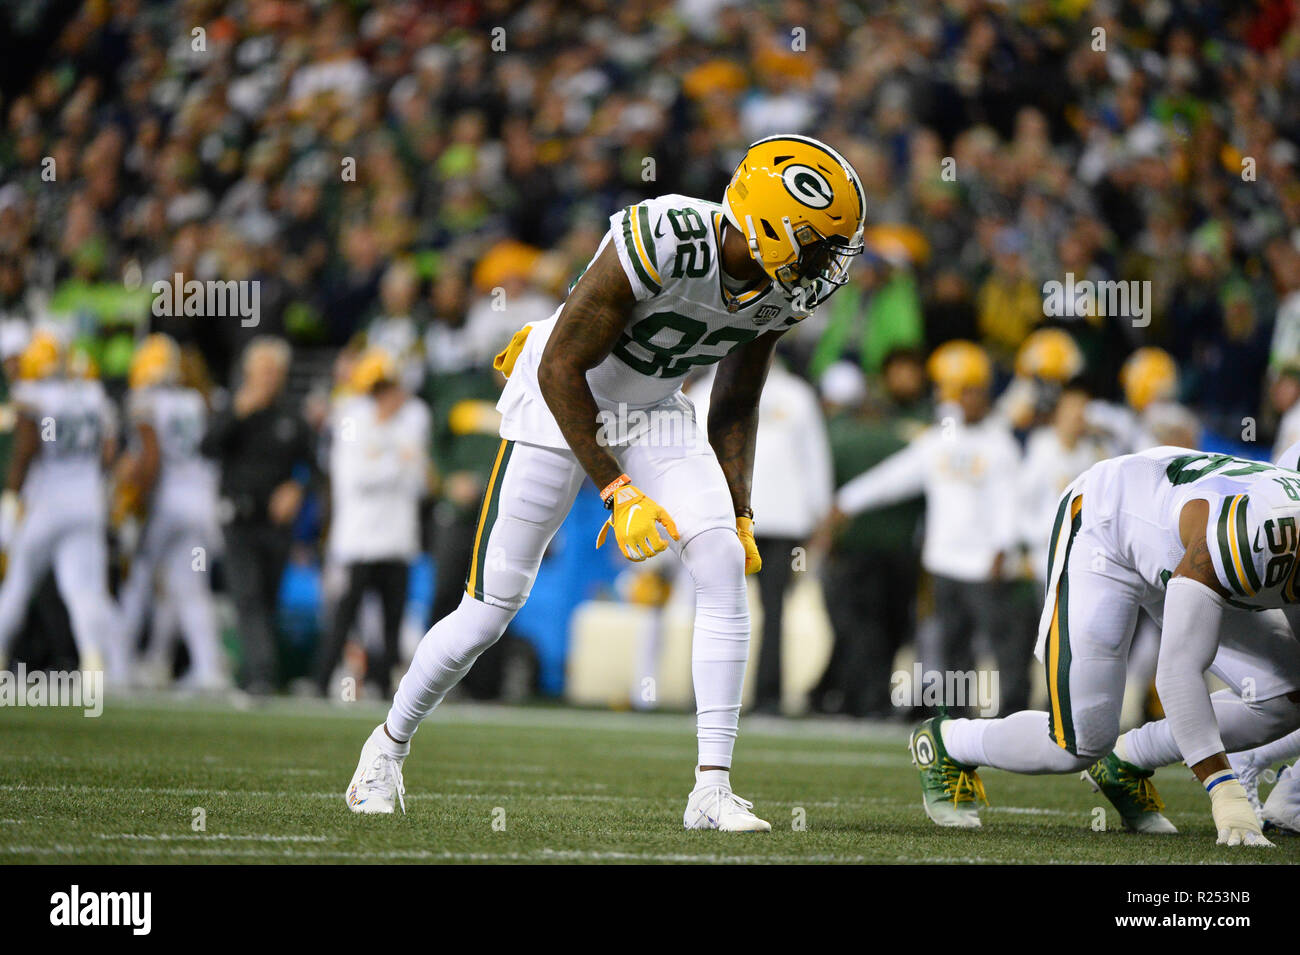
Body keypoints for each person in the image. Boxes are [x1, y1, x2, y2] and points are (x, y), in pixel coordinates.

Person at [345, 134, 867, 831]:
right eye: (819, 244)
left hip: (652, 409)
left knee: (717, 558)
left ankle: (711, 789)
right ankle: (385, 747)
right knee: (489, 610)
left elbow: (736, 399)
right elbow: (562, 364)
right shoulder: (668, 237)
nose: (828, 265)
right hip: (560, 400)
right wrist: (618, 490)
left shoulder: (779, 290)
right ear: (770, 222)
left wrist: (739, 510)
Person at [911, 446, 1300, 848]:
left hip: (1181, 534)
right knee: (1078, 742)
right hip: (1107, 526)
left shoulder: (1265, 540)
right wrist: (1225, 792)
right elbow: (1178, 671)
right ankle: (948, 741)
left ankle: (1128, 758)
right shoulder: (1247, 537)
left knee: (1285, 697)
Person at [833, 341, 1027, 714]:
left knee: (1002, 645)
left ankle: (1013, 714)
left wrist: (1004, 548)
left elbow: (1008, 501)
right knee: (953, 646)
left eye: (971, 392)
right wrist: (847, 501)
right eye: (959, 393)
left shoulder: (1000, 444)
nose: (966, 400)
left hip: (985, 562)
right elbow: (892, 477)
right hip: (942, 561)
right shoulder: (939, 442)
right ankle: (956, 719)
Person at [687, 357, 833, 714]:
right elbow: (814, 458)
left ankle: (711, 699)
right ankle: (767, 699)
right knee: (772, 611)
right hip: (778, 520)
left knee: (715, 609)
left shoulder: (709, 389)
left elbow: (690, 456)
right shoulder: (797, 395)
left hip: (725, 515)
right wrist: (820, 512)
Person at [0, 330, 121, 677]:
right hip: (87, 501)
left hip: (47, 502)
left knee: (18, 584)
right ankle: (93, 660)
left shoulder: (34, 396)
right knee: (84, 590)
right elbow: (108, 452)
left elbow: (26, 451)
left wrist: (11, 502)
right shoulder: (93, 395)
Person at [811, 353, 926, 718]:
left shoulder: (835, 436)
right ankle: (859, 697)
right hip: (901, 549)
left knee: (858, 630)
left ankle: (854, 698)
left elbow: (820, 491)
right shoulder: (911, 436)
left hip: (852, 549)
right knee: (887, 630)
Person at [201, 336, 317, 695]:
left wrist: (296, 489)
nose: (269, 377)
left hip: (276, 523)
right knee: (247, 595)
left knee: (267, 597)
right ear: (249, 372)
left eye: (274, 371)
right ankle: (262, 675)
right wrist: (237, 413)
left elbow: (314, 467)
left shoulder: (291, 416)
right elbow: (206, 447)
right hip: (238, 517)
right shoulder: (233, 407)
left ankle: (258, 673)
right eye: (263, 370)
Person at [314, 347, 430, 699]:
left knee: (393, 618)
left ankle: (385, 684)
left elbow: (420, 481)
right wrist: (397, 462)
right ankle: (321, 680)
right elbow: (358, 477)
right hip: (358, 537)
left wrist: (391, 461)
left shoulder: (412, 417)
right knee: (343, 616)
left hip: (397, 537)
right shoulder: (350, 415)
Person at [116, 333, 225, 690]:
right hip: (201, 503)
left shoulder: (146, 401)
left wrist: (137, 508)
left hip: (167, 504)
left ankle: (116, 665)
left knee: (140, 581)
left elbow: (151, 459)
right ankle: (209, 669)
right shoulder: (196, 400)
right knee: (191, 588)